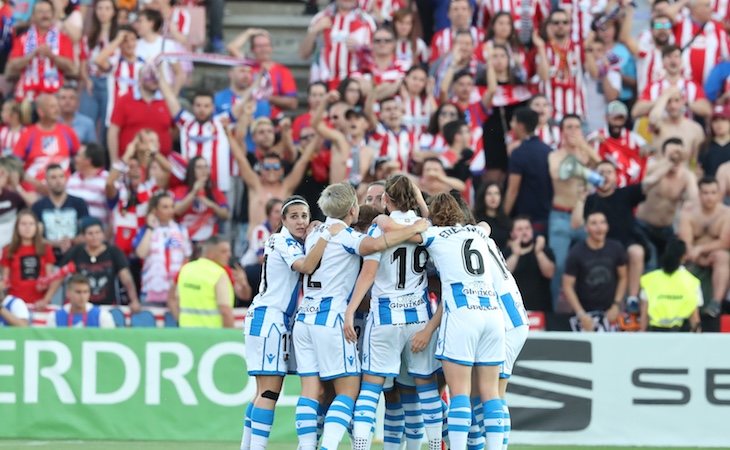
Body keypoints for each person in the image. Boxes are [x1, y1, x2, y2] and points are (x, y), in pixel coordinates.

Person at [293, 182, 427, 450]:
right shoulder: (348, 238)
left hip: (304, 318)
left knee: (312, 391)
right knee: (350, 391)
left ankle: (306, 446)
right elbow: (378, 244)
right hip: (330, 319)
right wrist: (416, 227)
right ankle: (328, 446)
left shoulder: (314, 233)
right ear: (353, 209)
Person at [398, 193, 505, 450]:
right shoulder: (477, 232)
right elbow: (485, 226)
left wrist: (419, 223)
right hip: (492, 313)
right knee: (491, 395)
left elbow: (403, 235)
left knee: (459, 394)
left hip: (462, 314)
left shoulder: (434, 236)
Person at [343, 175, 441, 450]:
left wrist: (351, 311)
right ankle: (433, 445)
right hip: (419, 318)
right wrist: (423, 209)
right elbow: (431, 224)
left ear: (386, 200)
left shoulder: (380, 229)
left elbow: (367, 275)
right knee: (426, 387)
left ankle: (360, 446)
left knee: (371, 390)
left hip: (385, 317)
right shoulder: (428, 229)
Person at [240, 196, 344, 450]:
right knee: (269, 392)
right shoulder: (281, 240)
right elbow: (307, 266)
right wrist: (327, 235)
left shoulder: (293, 242)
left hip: (272, 319)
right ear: (283, 220)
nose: (300, 221)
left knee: (261, 391)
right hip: (269, 319)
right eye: (294, 216)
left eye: (304, 216)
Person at [573, 160, 672, 316]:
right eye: (601, 172)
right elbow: (576, 224)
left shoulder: (625, 193)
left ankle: (632, 298)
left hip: (626, 244)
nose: (604, 176)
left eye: (609, 172)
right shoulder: (590, 199)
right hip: (600, 249)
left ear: (616, 177)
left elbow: (650, 182)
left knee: (637, 252)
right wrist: (581, 199)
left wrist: (669, 162)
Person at [230, 106, 318, 242]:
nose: (271, 170)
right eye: (267, 166)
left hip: (282, 243)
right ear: (260, 169)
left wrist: (318, 135)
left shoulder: (286, 186)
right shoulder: (255, 185)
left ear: (282, 170)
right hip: (252, 245)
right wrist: (227, 133)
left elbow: (303, 161)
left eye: (276, 166)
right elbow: (240, 158)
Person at [548, 114, 600, 304]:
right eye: (568, 127)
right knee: (559, 265)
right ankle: (554, 311)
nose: (573, 131)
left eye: (576, 127)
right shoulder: (555, 155)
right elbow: (557, 173)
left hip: (584, 216)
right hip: (560, 214)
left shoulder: (586, 153)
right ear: (562, 131)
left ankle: (589, 307)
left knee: (590, 264)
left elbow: (601, 166)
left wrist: (583, 145)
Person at [158, 72, 233, 193]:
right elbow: (170, 99)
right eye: (198, 105)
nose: (202, 109)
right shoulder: (186, 122)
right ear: (192, 106)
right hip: (189, 185)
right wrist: (160, 76)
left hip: (217, 187)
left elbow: (242, 106)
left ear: (213, 108)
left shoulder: (221, 123)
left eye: (206, 106)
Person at [635, 138, 699, 269]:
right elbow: (647, 182)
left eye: (678, 154)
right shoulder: (653, 168)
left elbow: (694, 198)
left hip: (666, 229)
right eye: (671, 154)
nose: (675, 157)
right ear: (663, 154)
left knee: (665, 265)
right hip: (643, 226)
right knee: (651, 262)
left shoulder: (686, 176)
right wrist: (667, 164)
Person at [678, 177, 730, 328]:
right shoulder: (688, 213)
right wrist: (700, 258)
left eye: (713, 192)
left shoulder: (726, 213)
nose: (709, 197)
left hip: (717, 256)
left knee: (722, 256)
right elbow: (686, 242)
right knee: (684, 256)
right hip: (694, 257)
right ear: (699, 194)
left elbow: (725, 242)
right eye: (705, 193)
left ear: (719, 194)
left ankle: (716, 302)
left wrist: (701, 249)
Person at [563, 211, 628, 332]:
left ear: (607, 226)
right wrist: (581, 314)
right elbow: (567, 285)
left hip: (610, 311)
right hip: (585, 313)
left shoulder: (616, 248)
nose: (599, 227)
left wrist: (616, 305)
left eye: (602, 223)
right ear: (586, 228)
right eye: (594, 223)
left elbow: (623, 277)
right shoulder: (576, 252)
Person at [59, 217, 140, 311]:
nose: (95, 237)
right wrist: (46, 299)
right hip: (81, 308)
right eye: (90, 233)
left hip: (108, 306)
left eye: (98, 232)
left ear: (103, 234)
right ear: (83, 236)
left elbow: (126, 278)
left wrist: (134, 300)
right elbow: (60, 275)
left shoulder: (114, 251)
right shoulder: (76, 251)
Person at [5, 0, 76, 102]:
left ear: (52, 14)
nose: (45, 15)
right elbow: (11, 66)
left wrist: (51, 56)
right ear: (33, 16)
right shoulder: (22, 39)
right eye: (41, 12)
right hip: (26, 97)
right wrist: (31, 55)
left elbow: (71, 68)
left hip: (54, 98)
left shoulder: (63, 39)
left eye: (47, 11)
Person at [299, 0, 376, 89]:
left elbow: (376, 57)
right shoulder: (321, 18)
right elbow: (303, 54)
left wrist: (360, 49)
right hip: (325, 81)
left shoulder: (366, 21)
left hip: (355, 83)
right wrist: (314, 31)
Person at [133, 191, 192, 305]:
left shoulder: (180, 230)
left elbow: (186, 258)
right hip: (152, 288)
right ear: (155, 210)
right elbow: (141, 253)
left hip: (176, 291)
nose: (170, 211)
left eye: (172, 207)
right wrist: (150, 227)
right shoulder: (145, 230)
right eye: (165, 207)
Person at [13, 94, 80, 191]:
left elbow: (81, 159)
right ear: (41, 112)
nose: (57, 109)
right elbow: (14, 165)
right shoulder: (27, 134)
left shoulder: (68, 132)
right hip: (34, 192)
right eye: (52, 106)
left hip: (64, 191)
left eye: (57, 106)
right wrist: (36, 184)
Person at [107, 65, 174, 162]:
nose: (154, 79)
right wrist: (114, 160)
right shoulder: (125, 100)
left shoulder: (167, 102)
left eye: (156, 76)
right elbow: (113, 131)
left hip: (160, 163)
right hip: (131, 161)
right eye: (150, 76)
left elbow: (174, 130)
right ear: (140, 78)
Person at [226, 29, 298, 117]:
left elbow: (292, 103)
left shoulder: (282, 71)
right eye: (259, 46)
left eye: (266, 45)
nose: (263, 49)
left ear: (271, 48)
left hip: (271, 120)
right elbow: (231, 47)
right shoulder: (247, 66)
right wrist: (249, 32)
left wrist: (265, 96)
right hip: (246, 115)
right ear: (252, 49)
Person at [504, 107, 553, 234]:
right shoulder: (548, 150)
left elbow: (512, 190)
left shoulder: (518, 153)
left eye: (513, 122)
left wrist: (502, 218)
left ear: (520, 126)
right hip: (547, 216)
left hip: (526, 220)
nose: (511, 125)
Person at [632, 44, 713, 120]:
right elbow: (635, 112)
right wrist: (661, 100)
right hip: (660, 130)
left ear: (681, 61)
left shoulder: (692, 86)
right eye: (669, 57)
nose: (673, 60)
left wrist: (687, 103)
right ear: (662, 62)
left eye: (676, 56)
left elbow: (707, 110)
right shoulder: (653, 87)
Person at [639, 239, 702, 332]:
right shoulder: (691, 281)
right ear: (684, 257)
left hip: (655, 333)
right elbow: (694, 317)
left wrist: (642, 332)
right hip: (681, 335)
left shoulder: (650, 279)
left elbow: (644, 313)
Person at [174, 236, 235, 328]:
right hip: (212, 336)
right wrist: (229, 338)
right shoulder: (219, 273)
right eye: (224, 251)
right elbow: (225, 311)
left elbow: (176, 300)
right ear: (210, 253)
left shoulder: (186, 269)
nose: (229, 255)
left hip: (186, 333)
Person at [535, 9, 585, 121]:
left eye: (565, 22)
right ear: (550, 26)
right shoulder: (544, 49)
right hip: (550, 116)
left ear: (570, 25)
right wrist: (541, 48)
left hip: (576, 113)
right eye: (556, 23)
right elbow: (544, 77)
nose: (561, 25)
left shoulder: (579, 48)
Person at [31, 164, 89, 261]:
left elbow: (87, 232)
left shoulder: (79, 203)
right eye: (53, 177)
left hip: (77, 257)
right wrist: (56, 243)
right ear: (46, 181)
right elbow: (35, 237)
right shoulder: (38, 207)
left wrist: (71, 241)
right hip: (47, 258)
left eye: (61, 176)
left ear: (66, 179)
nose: (58, 181)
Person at [1, 209, 58, 307]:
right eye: (23, 224)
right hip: (15, 303)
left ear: (36, 227)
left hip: (40, 303)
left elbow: (51, 279)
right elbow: (5, 280)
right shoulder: (8, 249)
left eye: (31, 224)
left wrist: (45, 300)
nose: (27, 228)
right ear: (17, 227)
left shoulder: (46, 248)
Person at [588, 101, 649, 188]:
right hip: (600, 188)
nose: (617, 123)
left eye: (620, 118)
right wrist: (590, 145)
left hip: (626, 188)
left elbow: (649, 149)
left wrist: (645, 149)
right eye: (614, 118)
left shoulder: (633, 138)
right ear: (606, 118)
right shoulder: (595, 136)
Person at [94, 25, 146, 127]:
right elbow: (98, 60)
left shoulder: (144, 64)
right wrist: (118, 39)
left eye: (133, 39)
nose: (130, 44)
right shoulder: (115, 62)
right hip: (115, 118)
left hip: (137, 116)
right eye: (125, 41)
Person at [172, 156, 230, 245]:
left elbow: (225, 215)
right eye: (199, 167)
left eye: (206, 167)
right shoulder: (181, 190)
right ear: (192, 170)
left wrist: (210, 204)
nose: (204, 170)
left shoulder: (215, 192)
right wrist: (194, 192)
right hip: (185, 239)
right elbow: (177, 211)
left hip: (209, 241)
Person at [504, 216, 555, 312]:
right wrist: (515, 255)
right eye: (519, 229)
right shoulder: (506, 253)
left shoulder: (544, 249)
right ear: (512, 233)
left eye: (527, 228)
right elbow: (503, 276)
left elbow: (549, 273)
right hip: (515, 309)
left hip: (541, 309)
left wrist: (539, 253)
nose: (524, 232)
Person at [647, 87, 706, 164]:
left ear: (683, 101)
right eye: (669, 101)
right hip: (661, 173)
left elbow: (697, 159)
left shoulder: (695, 128)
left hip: (684, 173)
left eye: (677, 100)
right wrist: (665, 96)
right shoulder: (659, 125)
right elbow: (653, 119)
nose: (673, 106)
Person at [46, 274, 115, 328]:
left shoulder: (102, 316)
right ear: (68, 293)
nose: (82, 296)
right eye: (78, 292)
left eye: (85, 292)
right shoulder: (54, 317)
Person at [66, 143, 109, 223]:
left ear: (88, 161)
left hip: (99, 231)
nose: (75, 159)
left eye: (78, 156)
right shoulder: (72, 179)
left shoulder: (107, 180)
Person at [240, 198, 282, 267]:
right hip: (250, 267)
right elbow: (261, 258)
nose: (280, 215)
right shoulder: (260, 231)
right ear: (269, 214)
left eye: (282, 212)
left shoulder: (282, 232)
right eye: (277, 212)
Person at [473, 182, 511, 250]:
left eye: (497, 193)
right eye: (489, 193)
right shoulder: (475, 219)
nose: (493, 197)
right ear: (483, 196)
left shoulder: (506, 221)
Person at [0, 158, 26, 249]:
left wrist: (17, 186)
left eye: (3, 174)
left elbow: (36, 206)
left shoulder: (14, 196)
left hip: (10, 247)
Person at [699, 103, 730, 177]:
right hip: (710, 186)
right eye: (715, 120)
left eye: (723, 119)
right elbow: (700, 170)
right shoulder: (705, 146)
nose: (719, 124)